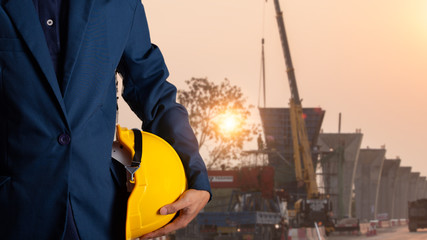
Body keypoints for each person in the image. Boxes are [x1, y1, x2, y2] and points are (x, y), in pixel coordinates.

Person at [0, 0, 211, 239]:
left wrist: (196, 177)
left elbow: (152, 90)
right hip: (11, 213)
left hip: (98, 216)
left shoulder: (120, 4)